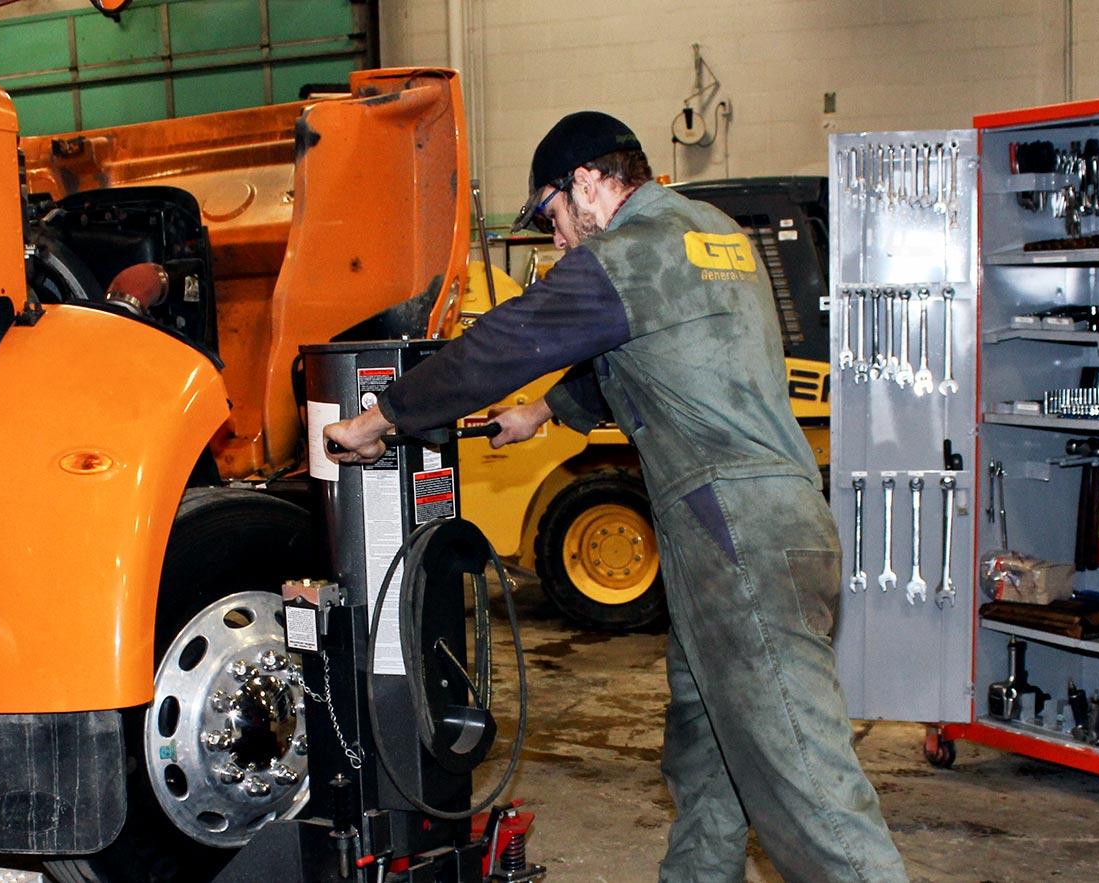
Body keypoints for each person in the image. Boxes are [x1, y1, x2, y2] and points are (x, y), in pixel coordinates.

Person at [322, 111, 909, 883]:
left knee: (807, 787)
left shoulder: (629, 252)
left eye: (552, 215)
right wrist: (542, 412)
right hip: (768, 523)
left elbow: (505, 340)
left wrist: (382, 415)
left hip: (737, 539)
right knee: (707, 756)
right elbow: (652, 349)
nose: (558, 238)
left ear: (590, 184)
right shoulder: (709, 233)